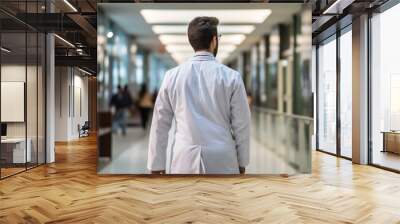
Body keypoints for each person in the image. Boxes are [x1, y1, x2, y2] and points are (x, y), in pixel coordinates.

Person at [147, 16, 251, 175]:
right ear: (214, 40)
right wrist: (242, 161)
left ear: (191, 41)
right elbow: (242, 124)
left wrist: (156, 164)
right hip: (222, 158)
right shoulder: (231, 77)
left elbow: (160, 124)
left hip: (184, 159)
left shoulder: (172, 76)